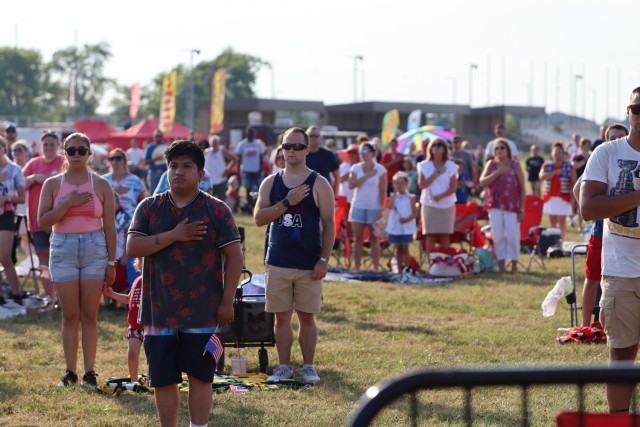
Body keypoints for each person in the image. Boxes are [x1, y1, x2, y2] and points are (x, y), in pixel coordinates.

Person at [127, 140, 243, 427]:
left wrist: (227, 301)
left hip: (203, 310)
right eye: (173, 166)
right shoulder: (150, 207)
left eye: (187, 166)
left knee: (200, 376)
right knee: (163, 378)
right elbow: (133, 247)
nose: (179, 172)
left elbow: (235, 256)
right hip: (158, 308)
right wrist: (175, 234)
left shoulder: (216, 210)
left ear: (201, 174)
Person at [253, 127, 335, 384]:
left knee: (307, 316)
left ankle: (308, 366)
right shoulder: (271, 182)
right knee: (281, 317)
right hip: (277, 261)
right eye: (287, 146)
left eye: (297, 146)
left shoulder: (319, 183)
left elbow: (330, 225)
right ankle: (284, 366)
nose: (291, 151)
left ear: (307, 149)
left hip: (309, 263)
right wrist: (286, 202)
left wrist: (323, 260)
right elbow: (258, 219)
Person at [38, 132, 117, 387]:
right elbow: (43, 222)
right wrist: (69, 204)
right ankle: (70, 372)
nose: (76, 155)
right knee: (70, 315)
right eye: (71, 150)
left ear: (89, 153)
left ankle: (89, 372)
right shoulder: (52, 184)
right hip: (63, 247)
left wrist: (112, 262)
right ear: (64, 153)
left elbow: (110, 228)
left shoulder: (102, 185)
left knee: (90, 315)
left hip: (95, 248)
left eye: (81, 150)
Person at [580, 88, 640, 413]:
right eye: (637, 107)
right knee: (621, 357)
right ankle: (618, 422)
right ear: (628, 111)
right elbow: (588, 208)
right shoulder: (606, 153)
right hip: (620, 274)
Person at [573, 123, 628, 328]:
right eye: (611, 137)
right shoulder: (600, 161)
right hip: (600, 231)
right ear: (605, 141)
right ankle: (586, 324)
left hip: (627, 234)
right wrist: (589, 211)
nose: (615, 140)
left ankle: (612, 325)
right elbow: (577, 189)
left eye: (620, 137)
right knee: (593, 278)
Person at [23, 130, 64, 300]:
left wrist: (45, 178)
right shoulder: (33, 163)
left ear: (58, 145)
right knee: (43, 259)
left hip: (59, 220)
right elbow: (20, 184)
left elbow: (67, 182)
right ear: (41, 145)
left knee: (61, 259)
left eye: (52, 144)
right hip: (36, 219)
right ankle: (51, 297)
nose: (48, 147)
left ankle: (64, 297)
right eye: (45, 144)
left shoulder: (63, 162)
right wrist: (34, 177)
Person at [103, 148, 147, 293]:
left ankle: (130, 294)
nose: (115, 162)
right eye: (112, 159)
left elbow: (143, 202)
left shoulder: (134, 180)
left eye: (118, 158)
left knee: (129, 262)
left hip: (130, 227)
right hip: (109, 227)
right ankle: (109, 295)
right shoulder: (104, 180)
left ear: (125, 160)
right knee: (109, 260)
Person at [479, 139, 526, 273]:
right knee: (498, 236)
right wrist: (497, 173)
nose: (499, 150)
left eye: (502, 148)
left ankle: (514, 265)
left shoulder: (515, 165)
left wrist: (522, 209)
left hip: (512, 207)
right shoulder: (491, 164)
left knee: (512, 236)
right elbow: (482, 182)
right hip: (494, 205)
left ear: (508, 150)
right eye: (497, 148)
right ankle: (501, 265)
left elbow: (523, 188)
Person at [348, 141, 387, 272]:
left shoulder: (381, 170)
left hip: (374, 208)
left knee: (374, 238)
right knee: (358, 238)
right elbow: (351, 185)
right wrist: (366, 176)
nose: (362, 154)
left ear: (373, 153)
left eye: (365, 151)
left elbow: (383, 191)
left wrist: (381, 208)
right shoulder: (355, 168)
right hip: (358, 206)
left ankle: (376, 268)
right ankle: (357, 268)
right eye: (361, 152)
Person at [417, 138, 458, 261]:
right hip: (429, 204)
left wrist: (441, 196)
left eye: (440, 145)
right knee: (431, 235)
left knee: (445, 235)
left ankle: (446, 261)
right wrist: (435, 174)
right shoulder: (424, 165)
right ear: (430, 148)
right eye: (434, 145)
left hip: (447, 204)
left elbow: (453, 187)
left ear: (444, 148)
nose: (437, 147)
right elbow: (422, 185)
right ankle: (432, 262)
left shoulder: (451, 166)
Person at [103, 265, 144, 383]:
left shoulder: (155, 281)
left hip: (149, 326)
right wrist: (112, 295)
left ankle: (153, 381)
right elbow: (128, 299)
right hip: (135, 326)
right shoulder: (137, 280)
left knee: (152, 357)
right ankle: (134, 381)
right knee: (132, 353)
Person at [0, 136, 26, 306]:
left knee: (5, 257)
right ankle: (1, 296)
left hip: (6, 215)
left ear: (4, 149)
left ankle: (16, 293)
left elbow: (22, 198)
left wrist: (7, 198)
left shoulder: (14, 170)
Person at [540, 141, 576, 241]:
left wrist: (573, 198)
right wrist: (555, 172)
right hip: (550, 197)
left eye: (559, 151)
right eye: (555, 151)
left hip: (563, 198)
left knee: (562, 221)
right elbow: (542, 177)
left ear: (563, 153)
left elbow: (574, 181)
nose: (557, 154)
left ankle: (561, 241)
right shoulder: (546, 165)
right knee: (552, 221)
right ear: (552, 153)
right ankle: (553, 241)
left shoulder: (569, 166)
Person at [385, 171, 418, 273]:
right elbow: (390, 207)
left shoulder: (410, 197)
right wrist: (394, 193)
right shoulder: (392, 196)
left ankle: (407, 268)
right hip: (395, 226)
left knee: (405, 248)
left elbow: (415, 212)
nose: (399, 185)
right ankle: (399, 269)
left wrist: (407, 219)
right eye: (396, 183)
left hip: (406, 227)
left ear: (406, 184)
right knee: (398, 249)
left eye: (401, 183)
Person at [234, 127, 265, 207]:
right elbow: (238, 159)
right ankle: (249, 206)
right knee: (247, 189)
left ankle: (258, 205)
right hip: (246, 171)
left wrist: (260, 170)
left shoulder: (258, 144)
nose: (251, 134)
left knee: (259, 189)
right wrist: (238, 171)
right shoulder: (241, 144)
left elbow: (261, 158)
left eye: (252, 133)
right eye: (249, 133)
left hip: (256, 171)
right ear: (246, 134)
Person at [305, 126, 340, 194]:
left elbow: (337, 176)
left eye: (316, 136)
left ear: (320, 137)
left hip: (324, 195)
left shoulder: (328, 154)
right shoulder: (301, 154)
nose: (313, 138)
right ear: (306, 137)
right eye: (311, 135)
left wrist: (335, 197)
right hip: (304, 196)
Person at [204, 134, 237, 200]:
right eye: (213, 142)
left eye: (215, 142)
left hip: (220, 180)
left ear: (218, 143)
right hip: (209, 182)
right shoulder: (206, 152)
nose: (214, 144)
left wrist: (228, 169)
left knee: (222, 199)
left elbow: (234, 159)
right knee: (208, 200)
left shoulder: (222, 151)